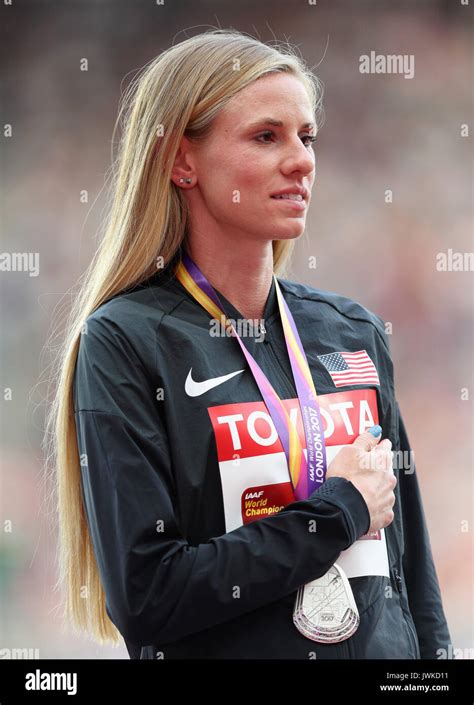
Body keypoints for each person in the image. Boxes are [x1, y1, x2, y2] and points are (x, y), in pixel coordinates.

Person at [48, 28, 451, 659]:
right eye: (267, 136)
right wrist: (336, 511)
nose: (301, 160)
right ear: (182, 162)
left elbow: (411, 573)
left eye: (306, 136)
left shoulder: (353, 331)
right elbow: (149, 597)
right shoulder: (125, 342)